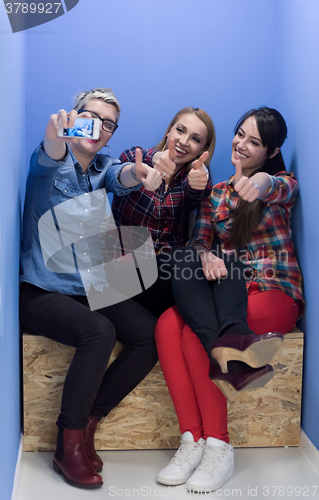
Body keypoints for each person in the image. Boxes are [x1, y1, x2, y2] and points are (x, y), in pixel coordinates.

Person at [19, 87, 163, 489]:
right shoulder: (51, 161)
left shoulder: (103, 165)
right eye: (91, 117)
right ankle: (67, 446)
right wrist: (55, 133)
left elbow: (122, 176)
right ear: (75, 117)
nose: (99, 128)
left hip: (86, 288)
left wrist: (142, 173)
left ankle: (88, 423)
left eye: (109, 124)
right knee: (99, 331)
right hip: (40, 292)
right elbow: (51, 149)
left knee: (147, 334)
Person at [154, 107, 304, 493]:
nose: (241, 144)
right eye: (240, 134)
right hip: (229, 292)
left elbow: (281, 188)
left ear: (270, 151)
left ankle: (219, 445)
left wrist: (263, 183)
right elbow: (200, 238)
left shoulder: (280, 183)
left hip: (273, 291)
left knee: (193, 338)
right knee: (168, 324)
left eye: (254, 141)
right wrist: (204, 254)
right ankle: (193, 440)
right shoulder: (215, 193)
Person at [111, 107, 215, 318]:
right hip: (125, 275)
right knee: (187, 258)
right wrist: (156, 159)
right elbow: (126, 163)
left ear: (202, 149)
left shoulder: (193, 179)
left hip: (165, 281)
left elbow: (197, 190)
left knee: (203, 262)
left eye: (195, 139)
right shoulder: (137, 159)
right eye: (180, 130)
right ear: (169, 131)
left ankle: (221, 339)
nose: (184, 141)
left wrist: (199, 180)